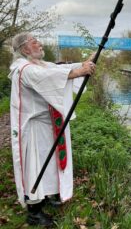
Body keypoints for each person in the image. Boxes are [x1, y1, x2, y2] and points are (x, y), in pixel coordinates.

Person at [9, 32, 96, 227]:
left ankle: (45, 196)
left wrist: (82, 64)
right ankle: (34, 211)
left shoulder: (39, 65)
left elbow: (59, 69)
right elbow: (49, 76)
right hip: (31, 129)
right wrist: (78, 72)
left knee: (48, 164)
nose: (39, 44)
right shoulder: (25, 69)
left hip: (45, 126)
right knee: (34, 167)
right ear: (24, 48)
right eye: (34, 42)